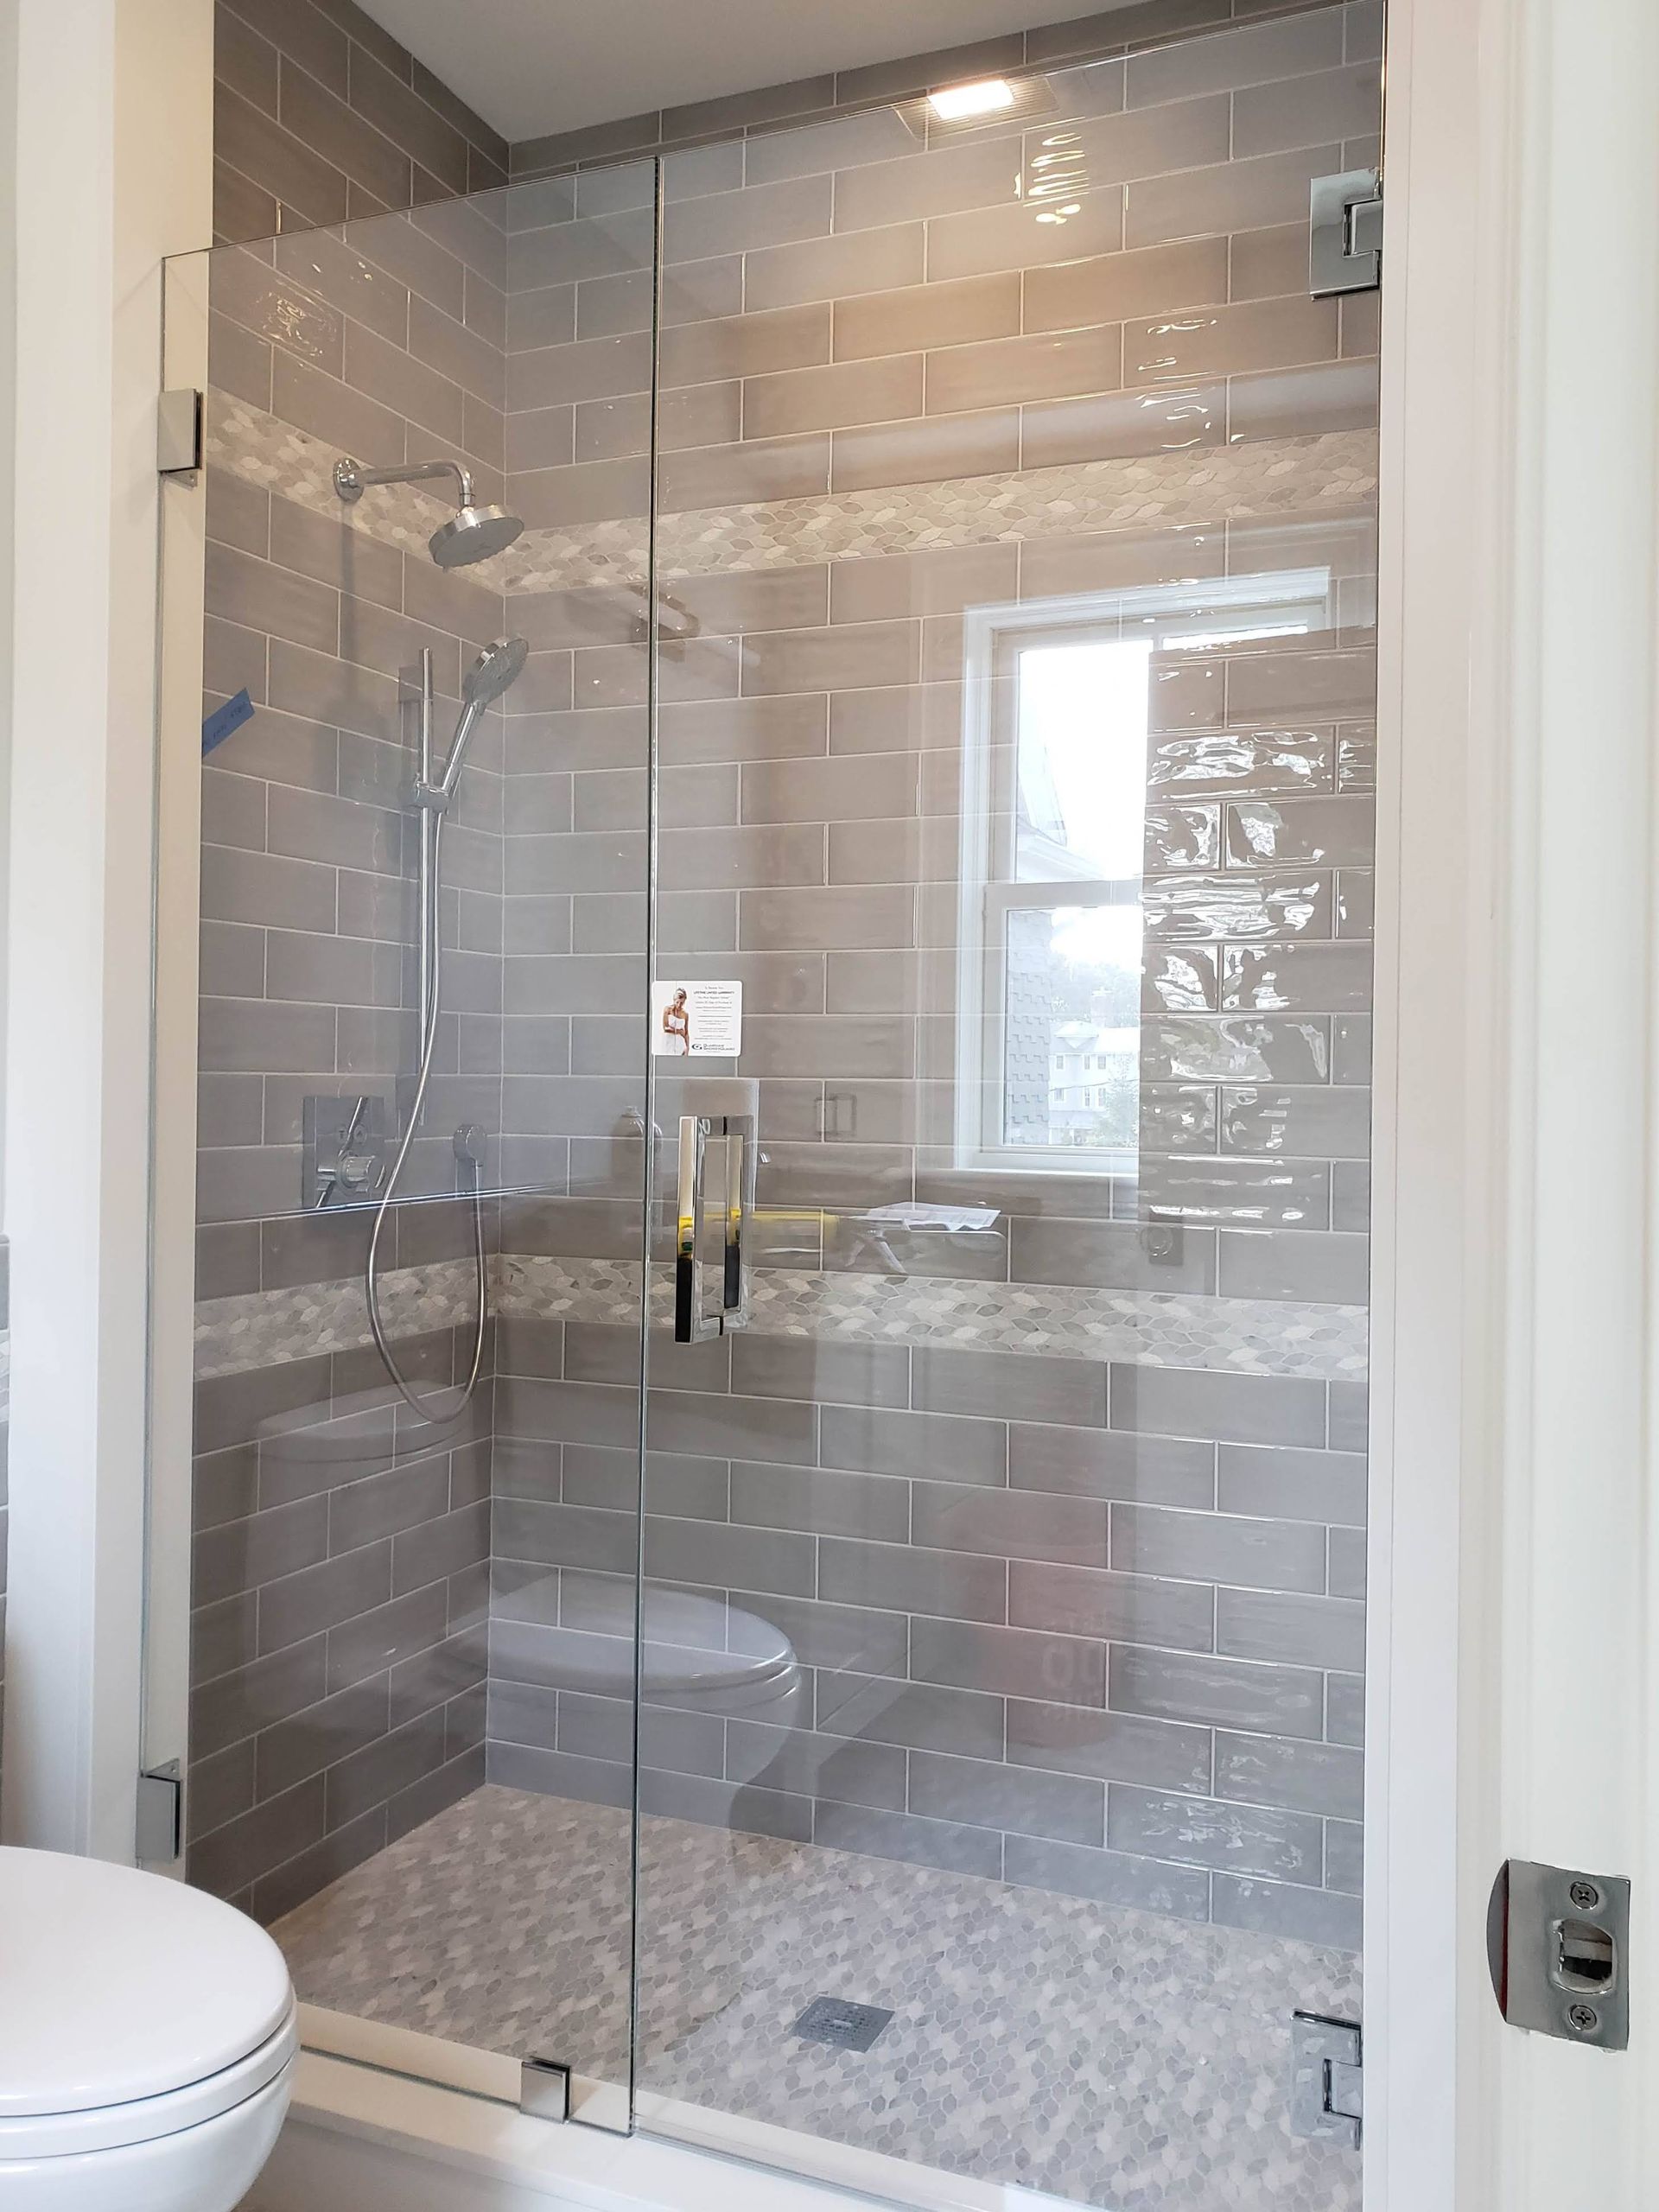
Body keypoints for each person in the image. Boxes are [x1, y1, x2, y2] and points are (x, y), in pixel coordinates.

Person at [662, 986, 690, 1056]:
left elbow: (686, 1033)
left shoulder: (685, 1014)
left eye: (682, 1003)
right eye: (677, 1002)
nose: (679, 1005)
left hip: (680, 1043)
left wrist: (687, 1048)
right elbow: (665, 1028)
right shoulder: (667, 1009)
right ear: (674, 1000)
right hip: (668, 1041)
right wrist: (679, 1031)